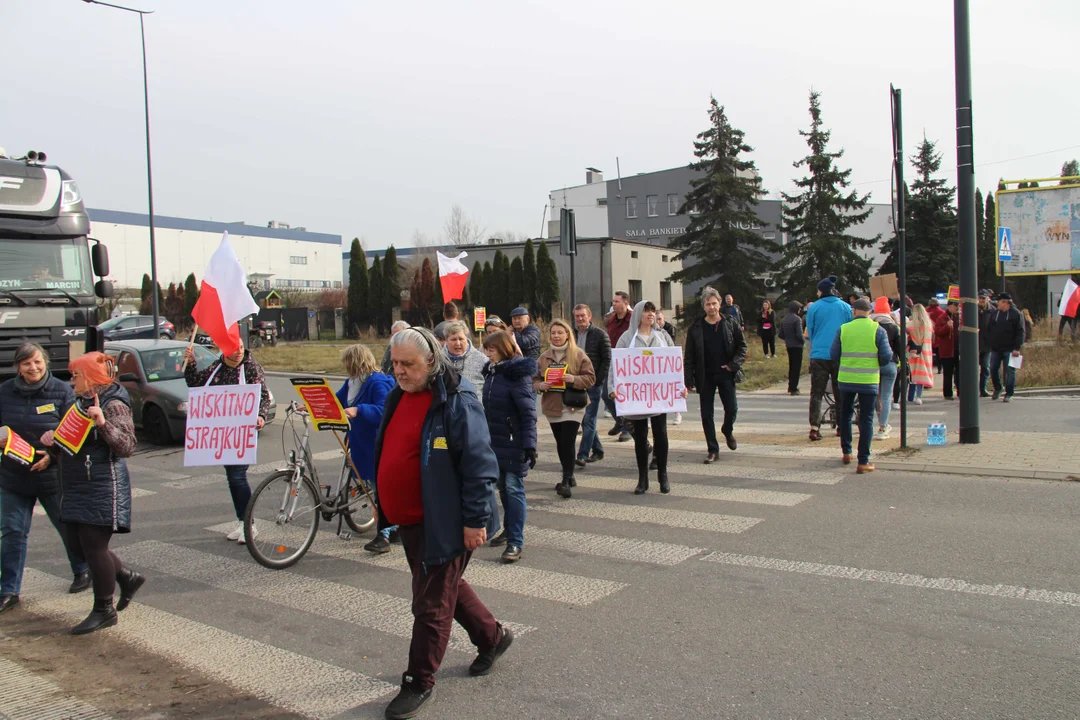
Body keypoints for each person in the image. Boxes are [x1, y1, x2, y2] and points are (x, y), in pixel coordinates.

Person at [375, 327, 511, 719]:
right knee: (447, 585)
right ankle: (492, 637)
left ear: (431, 362)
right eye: (395, 363)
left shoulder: (457, 399)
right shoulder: (397, 396)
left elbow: (480, 466)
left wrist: (474, 521)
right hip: (413, 523)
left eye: (408, 365)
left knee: (430, 604)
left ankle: (419, 680)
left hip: (447, 521)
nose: (399, 371)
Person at [38, 352, 143, 634]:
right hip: (76, 485)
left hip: (102, 485)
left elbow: (127, 447)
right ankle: (125, 576)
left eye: (76, 375)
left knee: (94, 548)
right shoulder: (79, 401)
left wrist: (102, 423)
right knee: (78, 546)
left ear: (91, 378)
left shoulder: (114, 403)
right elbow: (72, 442)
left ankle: (104, 609)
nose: (71, 380)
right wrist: (53, 444)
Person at [0, 343, 89, 615]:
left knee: (66, 528)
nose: (33, 368)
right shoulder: (4, 392)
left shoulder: (62, 391)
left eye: (37, 362)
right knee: (13, 532)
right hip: (13, 476)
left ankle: (82, 571)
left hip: (52, 475)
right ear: (18, 366)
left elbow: (73, 433)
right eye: (26, 363)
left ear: (45, 362)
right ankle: (9, 591)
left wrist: (52, 456)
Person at [184, 342, 271, 543]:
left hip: (243, 431)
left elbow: (263, 395)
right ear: (225, 350)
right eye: (234, 347)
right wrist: (190, 363)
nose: (240, 350)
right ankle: (242, 520)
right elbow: (195, 383)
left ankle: (249, 524)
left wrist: (261, 416)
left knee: (237, 476)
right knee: (232, 476)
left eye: (241, 346)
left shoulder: (251, 367)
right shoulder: (217, 367)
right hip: (224, 433)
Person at [610, 300, 684, 493]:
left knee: (661, 434)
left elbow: (674, 364)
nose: (651, 314)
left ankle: (663, 474)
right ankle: (643, 478)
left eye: (653, 311)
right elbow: (616, 365)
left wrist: (680, 387)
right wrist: (613, 387)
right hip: (636, 397)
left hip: (658, 395)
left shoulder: (662, 336)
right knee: (641, 437)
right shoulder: (627, 338)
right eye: (646, 311)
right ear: (638, 315)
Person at [480, 331, 537, 562]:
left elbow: (528, 412)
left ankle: (516, 542)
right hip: (495, 441)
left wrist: (529, 445)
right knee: (503, 487)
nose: (487, 353)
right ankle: (509, 530)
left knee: (513, 489)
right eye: (486, 349)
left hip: (514, 443)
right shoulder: (493, 372)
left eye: (491, 349)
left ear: (503, 348)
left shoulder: (516, 374)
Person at [336, 345, 395, 554]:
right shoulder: (352, 382)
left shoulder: (377, 382)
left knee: (381, 489)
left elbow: (384, 409)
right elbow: (337, 400)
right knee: (374, 485)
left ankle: (384, 534)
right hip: (363, 443)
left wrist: (359, 410)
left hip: (378, 443)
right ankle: (391, 527)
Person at [684, 287, 747, 464]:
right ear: (703, 306)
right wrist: (688, 378)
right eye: (708, 304)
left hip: (726, 373)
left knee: (732, 408)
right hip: (705, 375)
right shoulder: (696, 327)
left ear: (720, 304)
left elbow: (742, 347)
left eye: (714, 303)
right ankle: (712, 449)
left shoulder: (730, 322)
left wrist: (733, 365)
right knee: (706, 414)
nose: (711, 307)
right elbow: (689, 355)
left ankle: (727, 430)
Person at [831, 298, 893, 474]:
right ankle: (863, 461)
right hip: (868, 380)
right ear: (869, 312)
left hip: (846, 379)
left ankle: (846, 451)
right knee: (866, 419)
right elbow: (886, 356)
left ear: (854, 311)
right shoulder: (878, 330)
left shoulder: (843, 329)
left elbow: (834, 354)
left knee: (845, 414)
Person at [535, 319, 595, 498]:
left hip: (573, 406)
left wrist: (573, 380)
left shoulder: (578, 355)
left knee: (568, 441)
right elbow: (533, 379)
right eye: (553, 333)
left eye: (560, 332)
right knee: (561, 443)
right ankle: (569, 474)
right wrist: (540, 385)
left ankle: (566, 479)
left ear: (567, 334)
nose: (556, 336)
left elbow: (590, 378)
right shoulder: (544, 357)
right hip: (552, 406)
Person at [805, 275, 852, 441]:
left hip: (819, 355)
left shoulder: (813, 308)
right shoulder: (846, 307)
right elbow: (849, 329)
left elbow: (809, 331)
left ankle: (814, 427)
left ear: (822, 291)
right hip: (840, 354)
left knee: (817, 392)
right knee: (841, 392)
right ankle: (841, 426)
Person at [572, 304, 612, 466]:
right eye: (577, 316)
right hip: (576, 382)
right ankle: (598, 450)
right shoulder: (571, 335)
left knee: (588, 419)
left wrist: (598, 380)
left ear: (590, 317)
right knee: (583, 419)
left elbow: (607, 359)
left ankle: (582, 454)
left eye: (583, 315)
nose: (580, 318)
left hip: (593, 383)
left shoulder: (600, 335)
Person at [870, 298, 902, 439]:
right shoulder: (894, 327)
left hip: (873, 365)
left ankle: (876, 422)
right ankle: (883, 427)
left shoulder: (871, 325)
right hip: (890, 364)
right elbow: (900, 348)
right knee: (887, 396)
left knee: (876, 396)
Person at [604, 291, 633, 442]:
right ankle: (620, 420)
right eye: (613, 301)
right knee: (606, 393)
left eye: (617, 301)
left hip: (628, 362)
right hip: (612, 360)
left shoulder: (633, 319)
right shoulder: (611, 320)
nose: (613, 304)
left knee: (623, 395)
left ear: (626, 303)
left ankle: (626, 428)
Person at [986, 292, 1025, 402]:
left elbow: (1021, 332)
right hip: (996, 348)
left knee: (1010, 371)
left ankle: (1009, 393)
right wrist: (990, 342)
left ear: (1006, 302)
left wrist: (1017, 348)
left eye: (999, 301)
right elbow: (990, 328)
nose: (997, 303)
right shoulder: (995, 313)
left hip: (1010, 349)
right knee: (993, 368)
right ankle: (998, 387)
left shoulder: (1016, 314)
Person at [442, 321, 486, 394]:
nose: (458, 343)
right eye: (453, 339)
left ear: (466, 339)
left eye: (461, 339)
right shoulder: (438, 360)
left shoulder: (482, 360)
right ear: (446, 340)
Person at [906, 304, 935, 404]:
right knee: (921, 375)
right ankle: (919, 396)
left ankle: (910, 396)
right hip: (926, 353)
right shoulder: (929, 325)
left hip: (912, 352)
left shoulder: (910, 325)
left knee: (912, 374)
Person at [778, 301, 804, 395]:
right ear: (796, 309)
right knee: (796, 367)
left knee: (791, 366)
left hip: (789, 345)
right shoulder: (797, 319)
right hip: (797, 345)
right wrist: (803, 341)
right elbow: (800, 334)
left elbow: (780, 334)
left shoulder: (784, 319)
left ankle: (790, 385)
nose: (800, 310)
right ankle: (794, 388)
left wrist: (788, 338)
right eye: (799, 309)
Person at [936, 300, 961, 400]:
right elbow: (938, 332)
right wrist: (947, 326)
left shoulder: (960, 317)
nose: (957, 308)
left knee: (959, 372)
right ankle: (948, 393)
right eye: (955, 306)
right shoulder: (942, 317)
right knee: (948, 372)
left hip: (958, 349)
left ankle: (960, 391)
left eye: (958, 306)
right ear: (950, 306)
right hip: (947, 350)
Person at [977, 291, 993, 397]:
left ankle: (983, 388)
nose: (982, 300)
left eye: (984, 298)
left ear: (988, 299)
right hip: (975, 344)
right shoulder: (972, 310)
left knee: (986, 367)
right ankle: (973, 388)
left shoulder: (992, 311)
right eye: (980, 298)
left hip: (987, 345)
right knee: (973, 368)